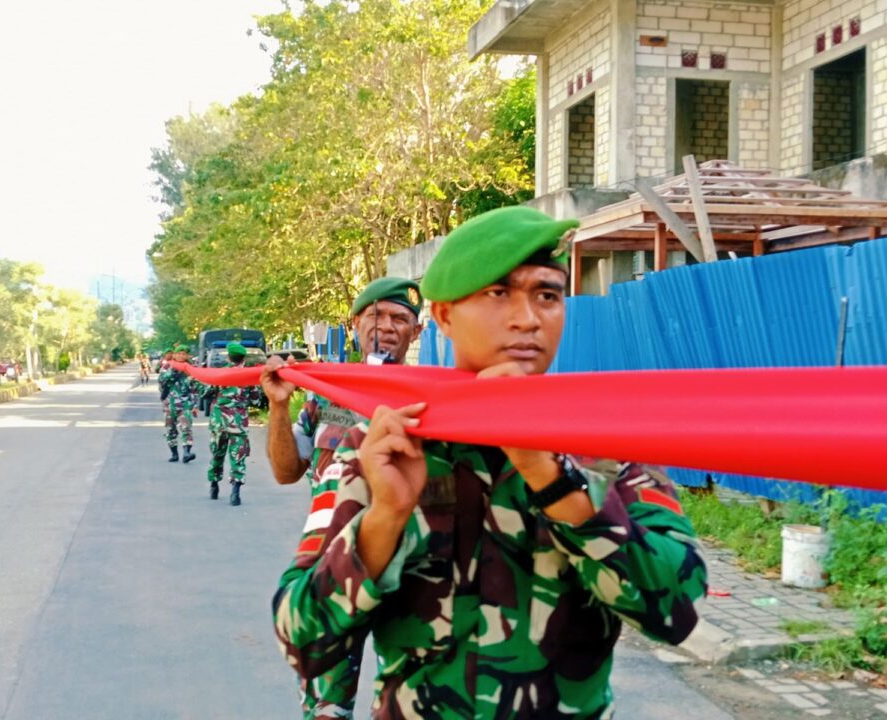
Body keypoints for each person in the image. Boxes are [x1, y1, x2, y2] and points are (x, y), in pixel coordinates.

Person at [272, 206, 708, 719]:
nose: (528, 317)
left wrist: (553, 479)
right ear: (445, 317)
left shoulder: (605, 445)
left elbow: (674, 615)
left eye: (547, 294)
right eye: (499, 293)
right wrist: (384, 518)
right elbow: (303, 643)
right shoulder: (380, 451)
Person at [263, 276, 423, 720]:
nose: (386, 326)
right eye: (375, 315)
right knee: (327, 709)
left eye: (400, 318)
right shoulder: (324, 393)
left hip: (412, 565)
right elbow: (285, 470)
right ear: (354, 325)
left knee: (416, 700)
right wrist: (278, 406)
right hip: (334, 563)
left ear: (417, 332)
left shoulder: (429, 394)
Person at [203, 342, 253, 504]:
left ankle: (214, 485)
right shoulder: (249, 376)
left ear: (229, 357)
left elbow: (206, 393)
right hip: (238, 422)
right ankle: (235, 492)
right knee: (238, 456)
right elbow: (256, 399)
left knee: (217, 453)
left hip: (219, 421)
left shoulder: (221, 373)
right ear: (243, 357)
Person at [160, 345, 199, 463]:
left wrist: (195, 405)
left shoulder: (191, 368)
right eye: (179, 353)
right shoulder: (167, 366)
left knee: (186, 428)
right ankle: (174, 454)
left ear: (187, 356)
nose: (181, 356)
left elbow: (195, 388)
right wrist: (174, 370)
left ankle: (187, 452)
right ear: (175, 355)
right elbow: (162, 380)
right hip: (169, 404)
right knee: (170, 430)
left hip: (185, 404)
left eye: (184, 354)